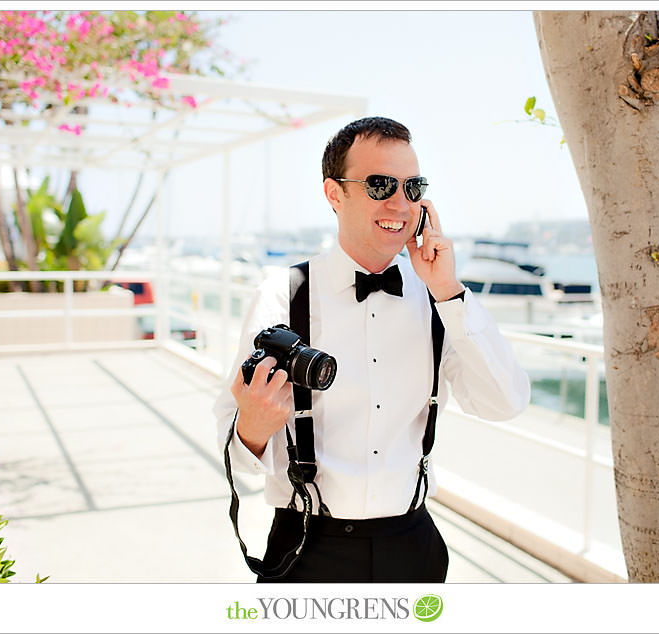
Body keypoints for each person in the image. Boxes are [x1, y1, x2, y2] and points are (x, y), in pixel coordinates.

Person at [214, 116, 530, 583]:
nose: (400, 203)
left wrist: (449, 292)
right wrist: (254, 430)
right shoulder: (282, 295)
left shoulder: (441, 300)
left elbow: (505, 404)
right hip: (306, 550)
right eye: (381, 185)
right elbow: (235, 453)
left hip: (413, 549)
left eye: (413, 186)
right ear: (334, 194)